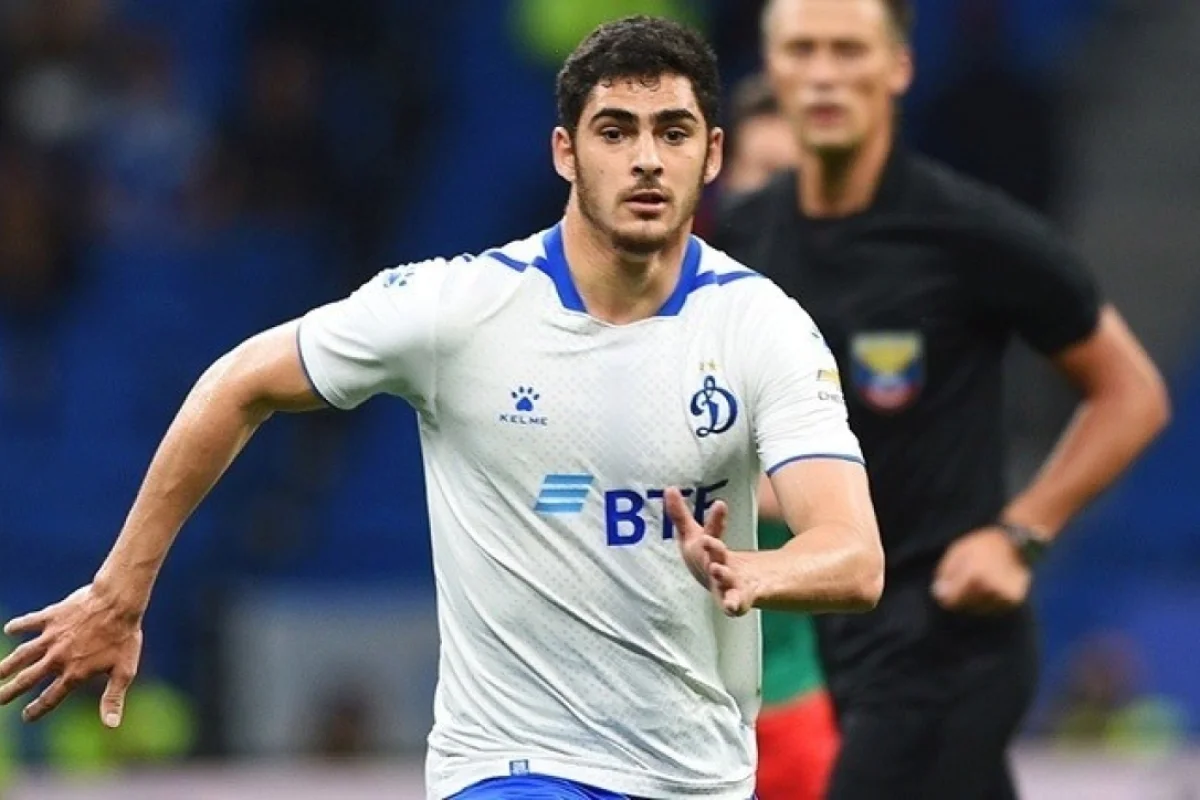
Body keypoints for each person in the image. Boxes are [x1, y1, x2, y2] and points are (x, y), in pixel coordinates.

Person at [0, 16, 885, 800]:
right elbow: (239, 382)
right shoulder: (458, 308)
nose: (646, 158)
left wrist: (756, 572)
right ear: (565, 153)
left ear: (713, 155)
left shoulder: (763, 326)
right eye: (615, 131)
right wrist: (121, 590)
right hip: (514, 766)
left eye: (673, 132)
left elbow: (854, 555)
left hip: (698, 775)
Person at [715, 1, 1171, 799]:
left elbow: (1131, 392)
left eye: (848, 50)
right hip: (828, 647)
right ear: (773, 68)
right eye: (802, 50)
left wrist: (1021, 535)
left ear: (898, 66)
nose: (823, 73)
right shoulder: (746, 241)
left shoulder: (966, 231)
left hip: (947, 637)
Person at [721, 72, 839, 800]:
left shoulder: (848, 325)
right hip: (664, 707)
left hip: (791, 698)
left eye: (789, 178)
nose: (769, 197)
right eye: (758, 173)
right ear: (722, 172)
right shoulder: (662, 306)